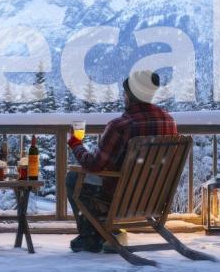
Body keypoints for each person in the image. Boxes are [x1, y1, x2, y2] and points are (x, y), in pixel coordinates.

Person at [66, 71, 177, 253]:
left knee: (73, 178)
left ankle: (90, 237)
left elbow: (94, 164)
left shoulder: (121, 125)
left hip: (121, 198)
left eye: (125, 93)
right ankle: (108, 232)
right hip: (153, 198)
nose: (123, 96)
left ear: (131, 96)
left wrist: (75, 143)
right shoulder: (169, 121)